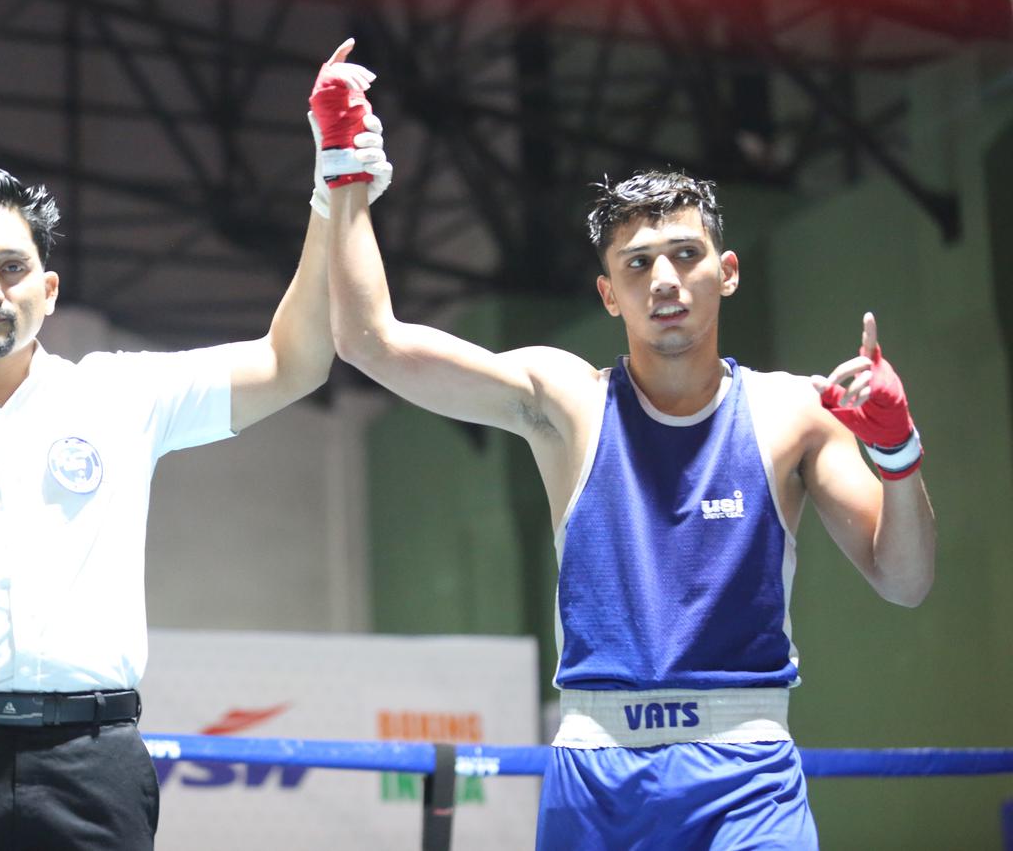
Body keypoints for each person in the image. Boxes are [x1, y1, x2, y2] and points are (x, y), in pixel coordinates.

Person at [318, 72, 935, 847]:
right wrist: (342, 171)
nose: (665, 280)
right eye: (638, 264)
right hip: (596, 778)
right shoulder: (564, 402)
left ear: (728, 271)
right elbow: (370, 342)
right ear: (608, 294)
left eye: (685, 253)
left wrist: (898, 454)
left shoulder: (791, 414)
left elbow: (906, 581)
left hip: (745, 781)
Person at [0, 39, 389, 851]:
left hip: (94, 765)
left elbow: (291, 363)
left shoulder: (121, 396)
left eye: (12, 267)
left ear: (48, 290)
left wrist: (334, 187)